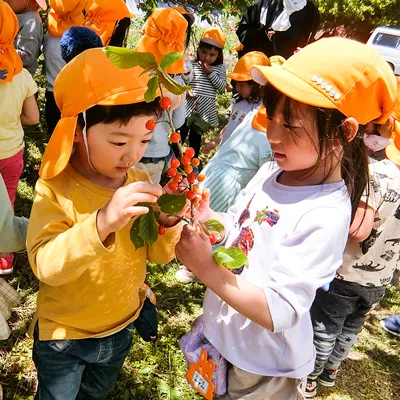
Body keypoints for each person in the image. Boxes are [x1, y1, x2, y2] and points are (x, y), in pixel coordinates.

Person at [175, 38, 397, 400]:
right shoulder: (269, 172)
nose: (272, 133)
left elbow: (281, 310)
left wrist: (205, 270)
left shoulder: (325, 213)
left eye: (290, 125)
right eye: (272, 117)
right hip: (229, 342)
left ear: (345, 131)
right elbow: (242, 230)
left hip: (263, 368)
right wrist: (212, 221)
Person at [26, 48, 183, 399]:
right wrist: (101, 224)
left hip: (121, 326)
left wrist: (168, 222)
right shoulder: (56, 189)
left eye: (144, 140)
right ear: (78, 130)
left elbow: (157, 256)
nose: (132, 155)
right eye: (118, 141)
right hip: (65, 338)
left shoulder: (138, 178)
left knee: (96, 392)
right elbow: (45, 265)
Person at [305, 101, 400, 398]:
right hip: (379, 280)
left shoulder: (379, 175)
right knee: (352, 326)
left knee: (325, 325)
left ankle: (310, 374)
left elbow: (358, 230)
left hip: (346, 274)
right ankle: (332, 371)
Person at [0, 0, 39, 274]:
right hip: (10, 153)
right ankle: (5, 256)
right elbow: (33, 118)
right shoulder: (22, 75)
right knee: (7, 206)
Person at [134, 7, 188, 184]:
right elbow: (178, 122)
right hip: (158, 153)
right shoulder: (178, 83)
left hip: (131, 150)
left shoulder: (136, 74)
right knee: (147, 201)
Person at [204, 51, 271, 153]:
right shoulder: (239, 102)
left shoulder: (260, 110)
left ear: (257, 84)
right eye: (236, 84)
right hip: (224, 153)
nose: (237, 88)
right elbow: (231, 125)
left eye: (242, 85)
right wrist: (215, 142)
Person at [179, 27, 227, 158]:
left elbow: (222, 87)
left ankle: (191, 162)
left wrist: (210, 73)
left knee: (195, 137)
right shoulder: (192, 64)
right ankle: (174, 158)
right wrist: (187, 90)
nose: (207, 57)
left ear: (219, 55)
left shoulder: (219, 69)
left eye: (212, 55)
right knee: (180, 132)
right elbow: (185, 81)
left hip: (204, 110)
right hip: (188, 106)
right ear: (198, 50)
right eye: (204, 52)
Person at [43, 0, 86, 135]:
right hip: (75, 97)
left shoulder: (49, 34)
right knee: (75, 139)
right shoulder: (82, 37)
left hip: (52, 94)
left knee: (55, 137)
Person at [236, 0, 320, 59]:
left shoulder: (311, 11)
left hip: (289, 72)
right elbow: (242, 31)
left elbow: (310, 42)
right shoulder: (264, 4)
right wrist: (263, 35)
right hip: (261, 69)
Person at [5, 0, 46, 76]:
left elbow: (27, 57)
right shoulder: (13, 13)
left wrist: (4, 52)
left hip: (18, 78)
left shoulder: (31, 21)